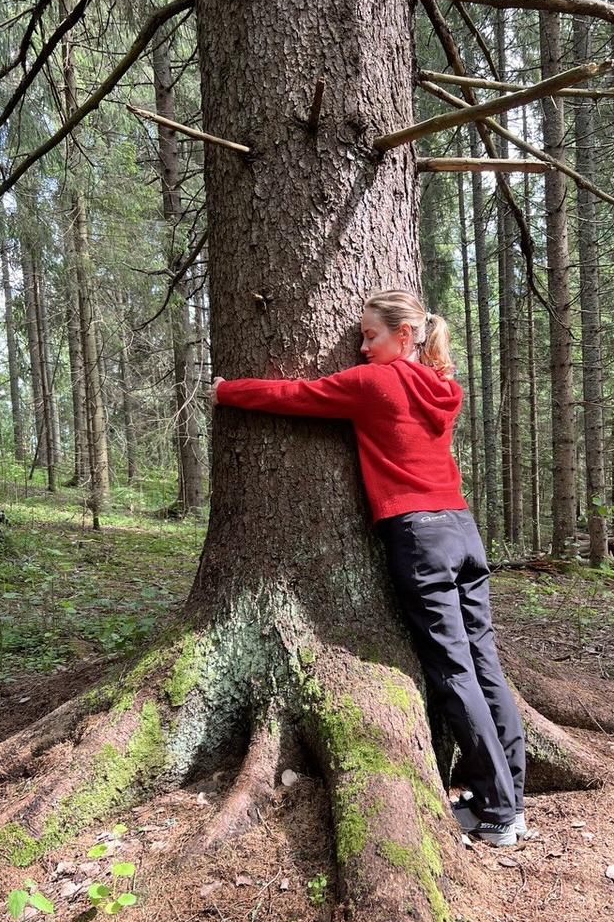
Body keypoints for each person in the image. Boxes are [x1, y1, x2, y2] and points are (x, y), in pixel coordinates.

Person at [210, 289, 529, 846]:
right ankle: (507, 799)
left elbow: (296, 395)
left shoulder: (376, 383)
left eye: (370, 336)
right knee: (484, 665)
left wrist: (226, 391)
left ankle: (499, 812)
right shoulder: (443, 387)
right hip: (462, 530)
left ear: (404, 335)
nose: (361, 348)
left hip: (420, 534)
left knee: (453, 669)